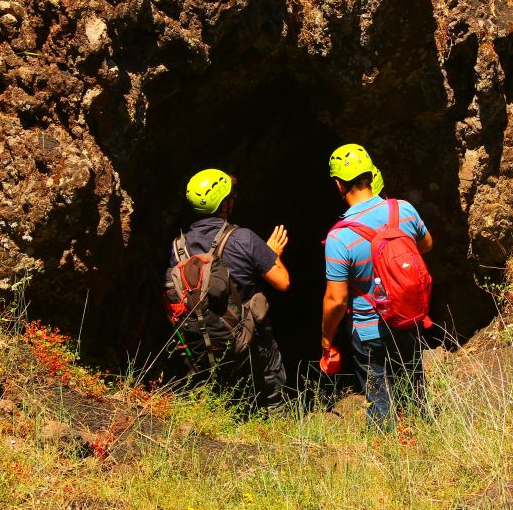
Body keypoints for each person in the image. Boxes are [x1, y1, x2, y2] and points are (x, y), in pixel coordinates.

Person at [320, 145, 433, 427]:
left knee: (378, 396)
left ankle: (387, 448)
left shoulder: (339, 237)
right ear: (371, 175)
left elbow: (337, 300)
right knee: (413, 385)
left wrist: (326, 338)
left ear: (338, 184)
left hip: (369, 329)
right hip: (408, 318)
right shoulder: (403, 210)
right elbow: (426, 245)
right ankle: (422, 439)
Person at [172, 168, 291, 411]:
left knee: (220, 400)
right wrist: (273, 254)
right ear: (225, 203)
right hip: (251, 340)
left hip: (202, 341)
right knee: (271, 397)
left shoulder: (178, 247)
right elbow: (283, 282)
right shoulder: (243, 238)